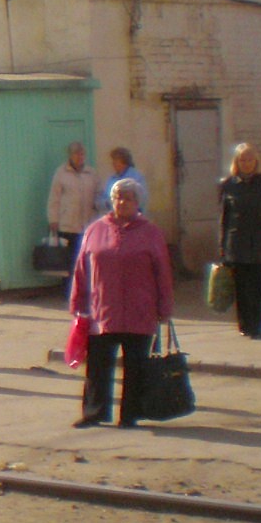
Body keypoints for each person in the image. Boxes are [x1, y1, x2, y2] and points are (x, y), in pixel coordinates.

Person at [70, 178, 173, 428]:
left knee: (136, 365)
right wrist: (78, 302)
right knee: (98, 365)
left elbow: (163, 272)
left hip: (140, 310)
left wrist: (164, 307)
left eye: (128, 198)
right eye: (117, 197)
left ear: (138, 203)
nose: (122, 202)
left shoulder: (150, 232)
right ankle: (95, 411)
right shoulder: (96, 230)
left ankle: (131, 414)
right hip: (102, 309)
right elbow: (81, 269)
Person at [217, 144, 261, 340]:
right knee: (241, 288)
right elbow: (224, 218)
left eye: (250, 159)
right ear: (237, 163)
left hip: (259, 243)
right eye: (242, 160)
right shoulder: (229, 185)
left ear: (256, 161)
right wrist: (223, 246)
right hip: (236, 243)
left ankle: (258, 327)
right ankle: (245, 325)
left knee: (257, 287)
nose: (246, 163)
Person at [46, 143, 101, 269]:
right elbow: (54, 198)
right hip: (67, 225)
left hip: (88, 224)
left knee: (86, 260)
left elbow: (99, 194)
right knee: (69, 262)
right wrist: (53, 220)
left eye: (82, 154)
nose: (79, 157)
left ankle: (85, 288)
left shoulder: (91, 173)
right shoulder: (61, 173)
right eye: (76, 154)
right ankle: (68, 288)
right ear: (70, 156)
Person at [94, 147, 147, 213]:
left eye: (116, 160)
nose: (113, 163)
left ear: (124, 161)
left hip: (132, 217)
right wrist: (105, 203)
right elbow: (103, 198)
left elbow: (141, 198)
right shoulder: (112, 179)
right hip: (115, 217)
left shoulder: (136, 177)